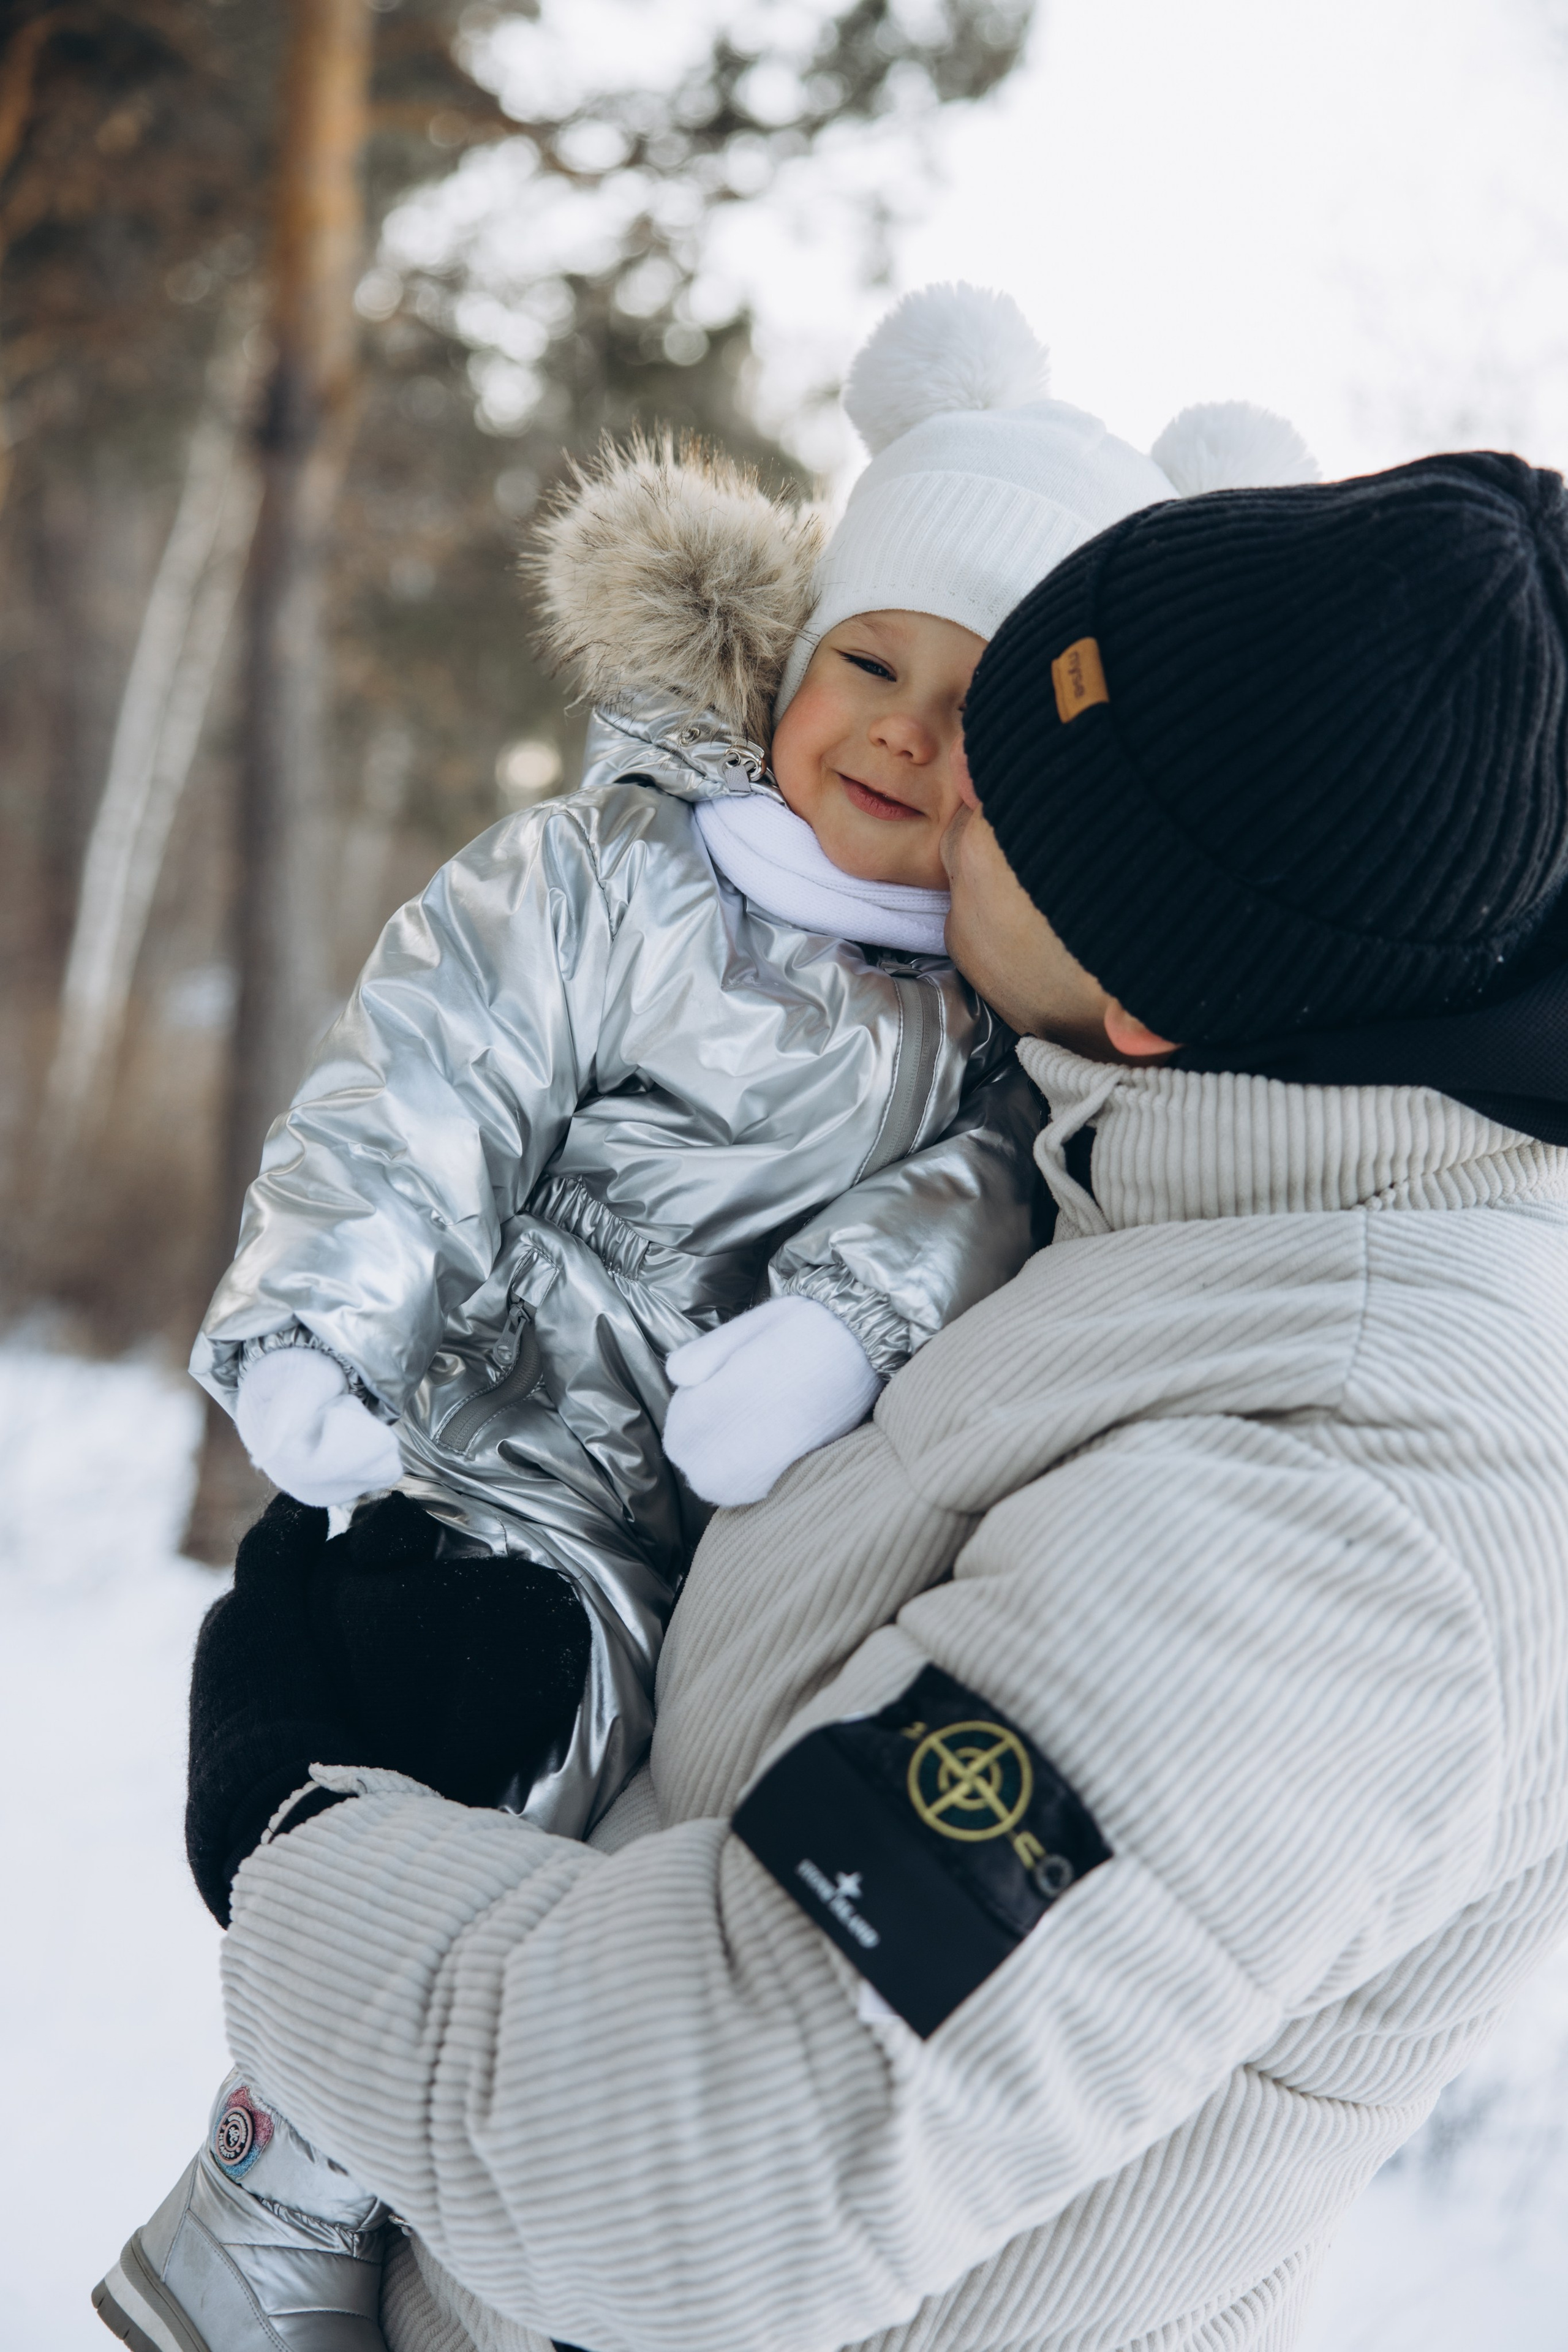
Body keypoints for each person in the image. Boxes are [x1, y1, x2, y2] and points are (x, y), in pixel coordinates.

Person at [124, 445, 1568, 2352]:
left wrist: (299, 1819)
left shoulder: (1354, 1505)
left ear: (1142, 991)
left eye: (1013, 816)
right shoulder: (1189, 1147)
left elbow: (692, 2162)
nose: (936, 806)